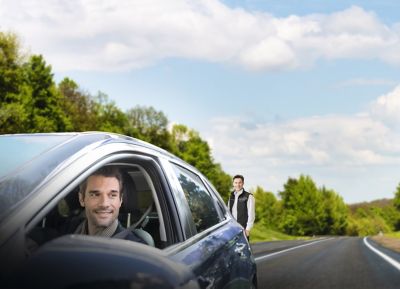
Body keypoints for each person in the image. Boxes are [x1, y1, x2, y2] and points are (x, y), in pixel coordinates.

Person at [74, 166, 146, 243]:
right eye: (95, 195)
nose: (104, 204)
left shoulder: (135, 250)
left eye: (112, 195)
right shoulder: (67, 233)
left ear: (120, 200)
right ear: (81, 199)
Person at [228, 175, 255, 240]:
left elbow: (251, 214)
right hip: (232, 229)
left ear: (243, 183)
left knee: (243, 249)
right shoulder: (231, 196)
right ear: (233, 183)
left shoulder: (248, 196)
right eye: (236, 183)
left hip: (243, 229)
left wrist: (248, 229)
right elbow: (228, 212)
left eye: (239, 182)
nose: (238, 185)